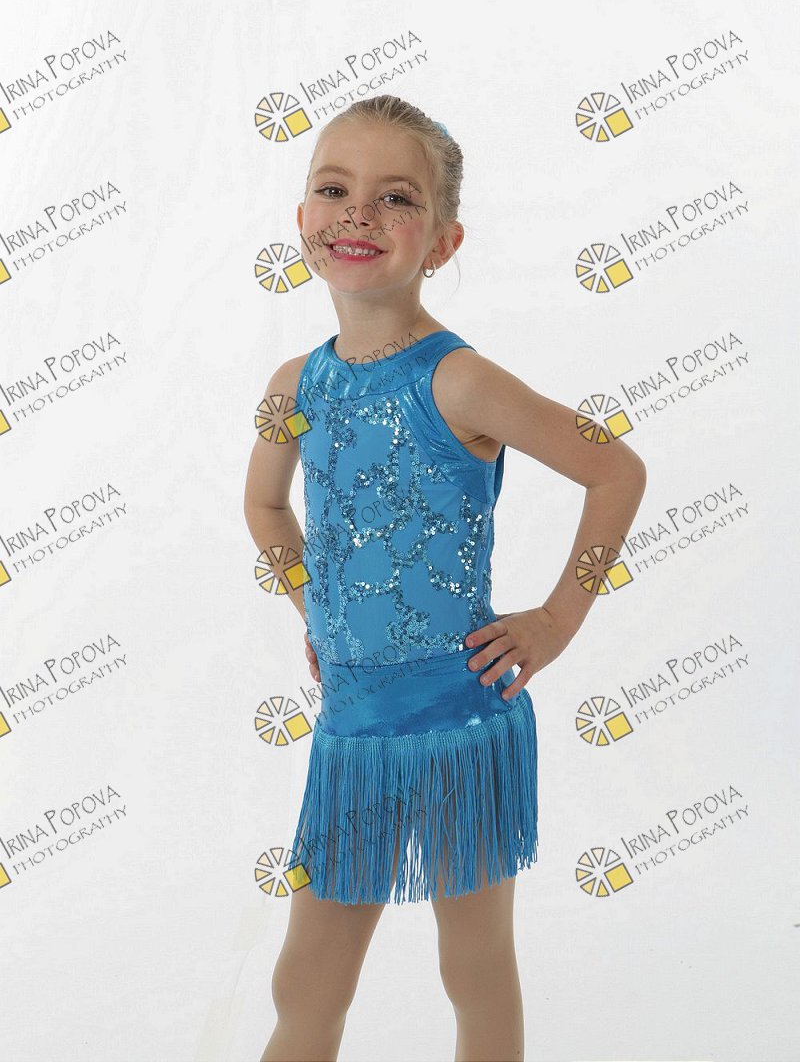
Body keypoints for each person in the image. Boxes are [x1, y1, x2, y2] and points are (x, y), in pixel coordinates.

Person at [244, 93, 647, 1062]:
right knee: (305, 978)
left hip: (462, 723)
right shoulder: (293, 385)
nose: (358, 212)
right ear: (301, 217)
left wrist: (555, 622)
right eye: (333, 189)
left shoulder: (457, 381)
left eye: (396, 198)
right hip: (352, 727)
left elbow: (615, 470)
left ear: (443, 239)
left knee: (472, 966)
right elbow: (265, 508)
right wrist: (317, 607)